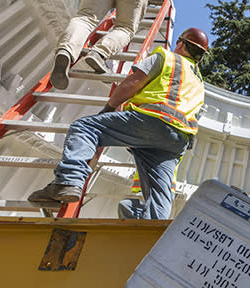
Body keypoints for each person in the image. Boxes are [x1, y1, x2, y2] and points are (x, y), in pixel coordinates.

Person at [29, 28, 208, 220]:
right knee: (159, 193)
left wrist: (109, 108)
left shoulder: (167, 58)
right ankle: (152, 233)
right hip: (178, 141)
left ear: (181, 43)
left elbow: (132, 83)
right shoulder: (199, 83)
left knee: (85, 128)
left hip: (154, 121)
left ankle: (68, 180)